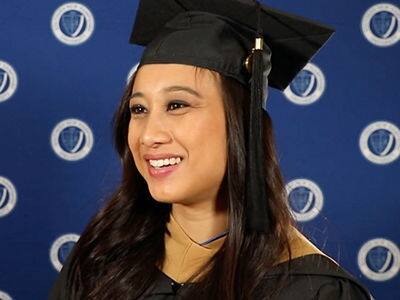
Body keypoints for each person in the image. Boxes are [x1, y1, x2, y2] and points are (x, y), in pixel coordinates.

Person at [49, 0, 373, 299]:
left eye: (176, 105)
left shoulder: (312, 290)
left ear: (244, 124)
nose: (149, 136)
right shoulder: (98, 263)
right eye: (138, 109)